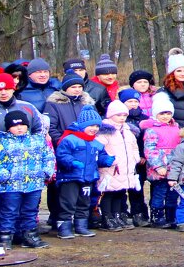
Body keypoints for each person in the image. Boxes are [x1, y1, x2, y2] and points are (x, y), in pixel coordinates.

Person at [0, 70, 43, 247]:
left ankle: (20, 233)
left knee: (21, 201)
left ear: (14, 88)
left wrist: (32, 154)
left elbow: (39, 131)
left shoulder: (27, 108)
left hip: (24, 166)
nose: (3, 93)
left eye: (7, 89)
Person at [0, 109, 54, 249]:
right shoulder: (1, 142)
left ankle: (30, 236)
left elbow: (49, 156)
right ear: (8, 127)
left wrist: (46, 171)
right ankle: (5, 238)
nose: (19, 128)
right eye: (15, 125)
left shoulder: (37, 140)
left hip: (34, 184)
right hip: (11, 185)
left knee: (31, 211)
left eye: (22, 125)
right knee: (9, 211)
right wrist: (3, 174)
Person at [44, 71, 96, 230]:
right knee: (62, 187)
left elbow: (94, 125)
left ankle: (81, 221)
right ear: (65, 88)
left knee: (83, 187)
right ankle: (58, 220)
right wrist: (64, 142)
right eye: (73, 86)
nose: (77, 89)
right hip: (64, 149)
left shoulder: (87, 103)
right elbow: (51, 127)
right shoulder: (54, 104)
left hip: (85, 148)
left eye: (80, 86)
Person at [53, 105, 114, 239]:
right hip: (70, 178)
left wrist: (106, 160)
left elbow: (100, 156)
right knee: (68, 203)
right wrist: (71, 162)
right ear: (82, 125)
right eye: (91, 126)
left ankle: (81, 226)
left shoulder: (96, 143)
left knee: (84, 203)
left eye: (97, 126)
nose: (94, 129)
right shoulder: (70, 139)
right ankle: (64, 228)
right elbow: (62, 154)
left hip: (88, 178)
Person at [95, 100, 142, 231]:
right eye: (118, 115)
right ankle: (106, 217)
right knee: (108, 193)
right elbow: (100, 148)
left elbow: (134, 146)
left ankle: (117, 216)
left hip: (125, 168)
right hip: (111, 168)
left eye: (124, 115)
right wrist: (110, 159)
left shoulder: (128, 130)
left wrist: (135, 158)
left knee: (120, 193)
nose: (122, 118)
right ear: (110, 115)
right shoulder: (105, 130)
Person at [142, 94, 181, 228]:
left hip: (174, 168)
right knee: (159, 193)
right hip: (159, 169)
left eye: (168, 113)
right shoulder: (152, 130)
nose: (165, 116)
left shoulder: (176, 129)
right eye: (162, 113)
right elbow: (149, 150)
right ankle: (157, 216)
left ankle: (171, 216)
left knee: (172, 194)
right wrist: (158, 166)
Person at [118, 88, 151, 227]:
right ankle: (122, 213)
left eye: (135, 101)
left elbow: (147, 139)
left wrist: (143, 155)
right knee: (120, 189)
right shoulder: (119, 118)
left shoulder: (145, 119)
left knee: (137, 188)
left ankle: (139, 213)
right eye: (129, 101)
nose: (133, 104)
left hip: (139, 160)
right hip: (123, 159)